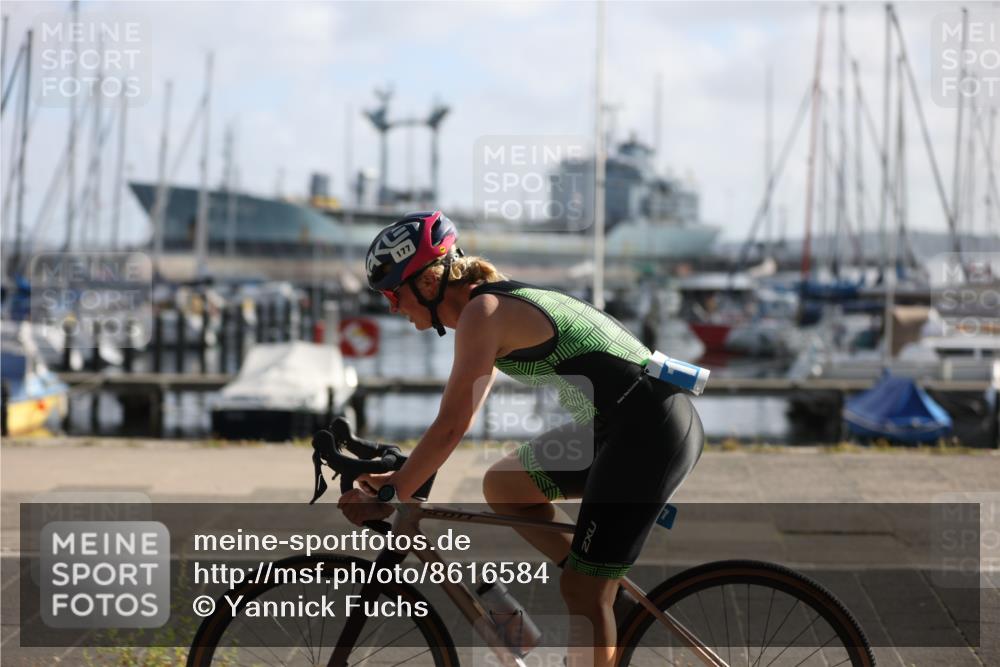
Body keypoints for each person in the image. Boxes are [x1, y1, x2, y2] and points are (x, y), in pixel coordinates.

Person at [338, 211, 704, 667]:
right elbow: (458, 417)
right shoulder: (486, 309)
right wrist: (406, 475)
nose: (392, 306)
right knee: (505, 486)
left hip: (650, 429)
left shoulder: (483, 312)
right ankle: (601, 597)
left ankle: (593, 595)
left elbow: (452, 425)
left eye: (394, 293)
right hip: (626, 425)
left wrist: (397, 489)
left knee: (581, 591)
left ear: (428, 283)